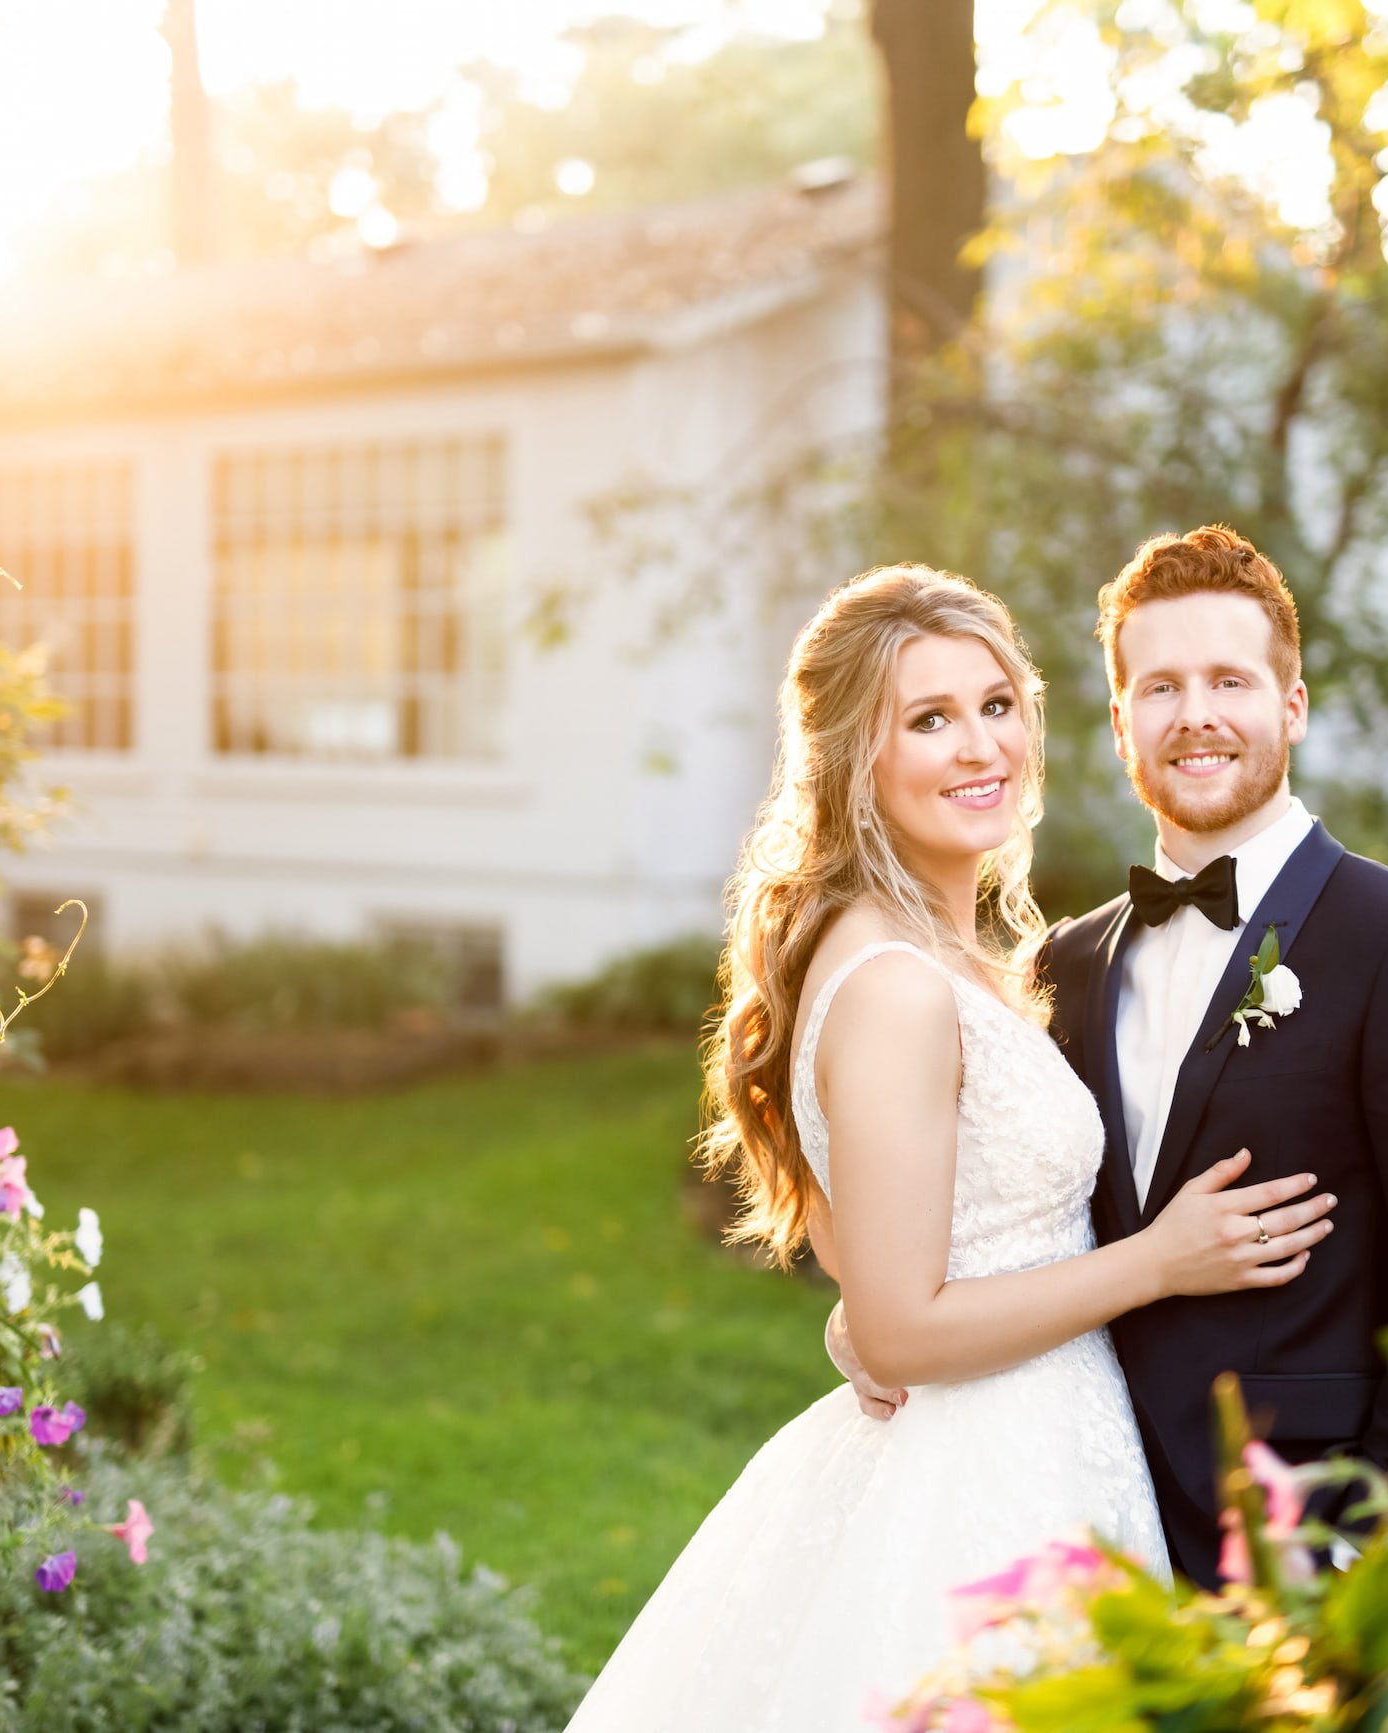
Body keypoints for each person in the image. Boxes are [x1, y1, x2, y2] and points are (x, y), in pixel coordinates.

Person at [565, 564, 1338, 1730]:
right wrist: (1158, 1261)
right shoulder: (893, 983)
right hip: (983, 1471)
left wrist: (862, 1300)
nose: (981, 745)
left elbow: (852, 1216)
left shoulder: (932, 951)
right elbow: (900, 1328)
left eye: (995, 703)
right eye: (927, 719)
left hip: (1032, 1442)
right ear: (852, 759)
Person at [829, 526, 1388, 1587]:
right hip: (1082, 1523)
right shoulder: (1064, 962)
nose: (1195, 715)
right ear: (1119, 724)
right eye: (1159, 686)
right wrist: (871, 1320)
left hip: (1310, 1551)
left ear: (1289, 705)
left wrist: (1372, 1554)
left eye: (1229, 680)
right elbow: (1019, 1212)